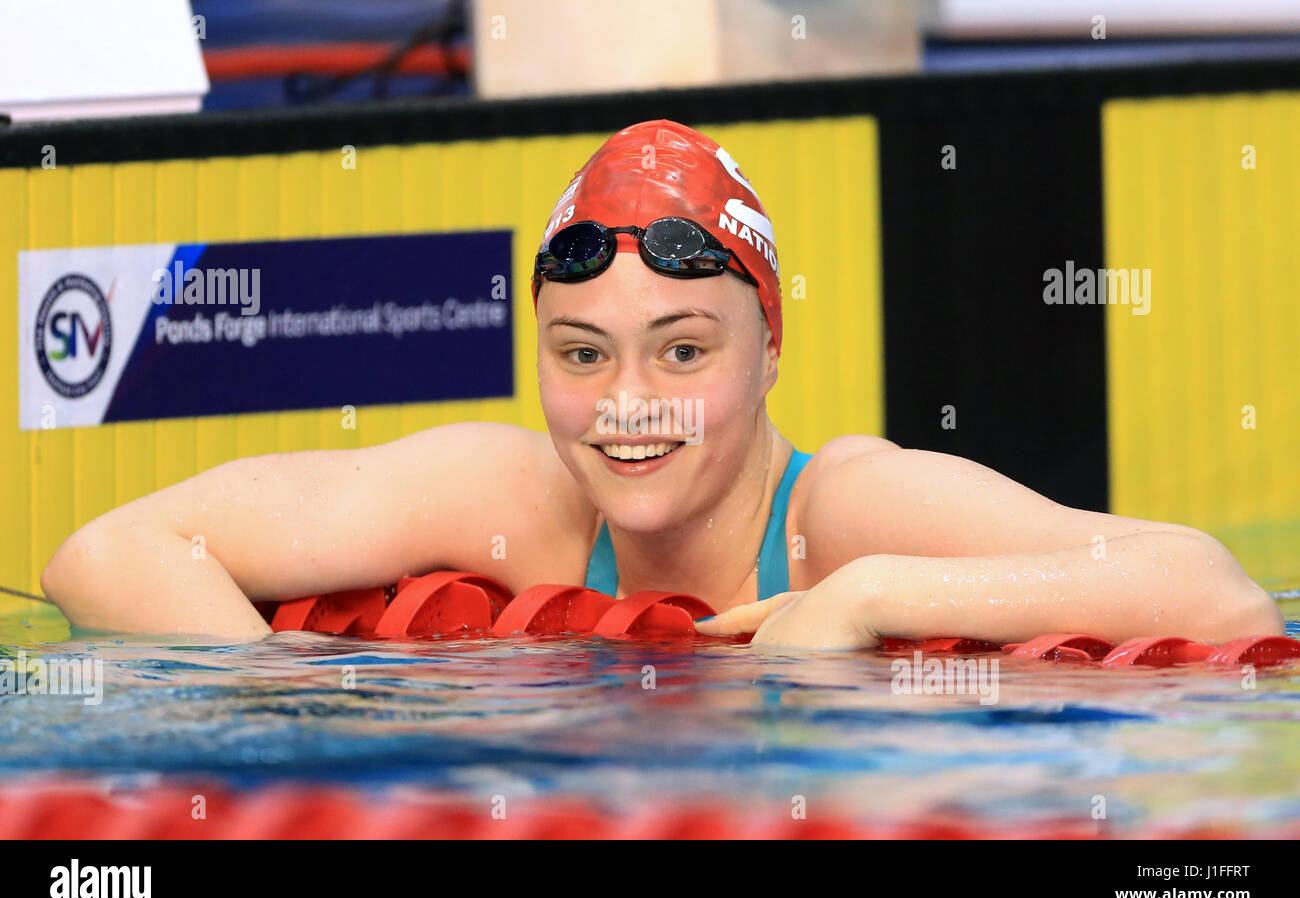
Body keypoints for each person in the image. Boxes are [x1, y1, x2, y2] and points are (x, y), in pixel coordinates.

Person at [40, 119, 1283, 648]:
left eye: (682, 350)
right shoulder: (513, 497)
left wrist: (869, 597)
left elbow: (1215, 595)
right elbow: (104, 552)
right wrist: (286, 695)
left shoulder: (838, 516)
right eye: (582, 353)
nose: (626, 401)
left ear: (771, 349)